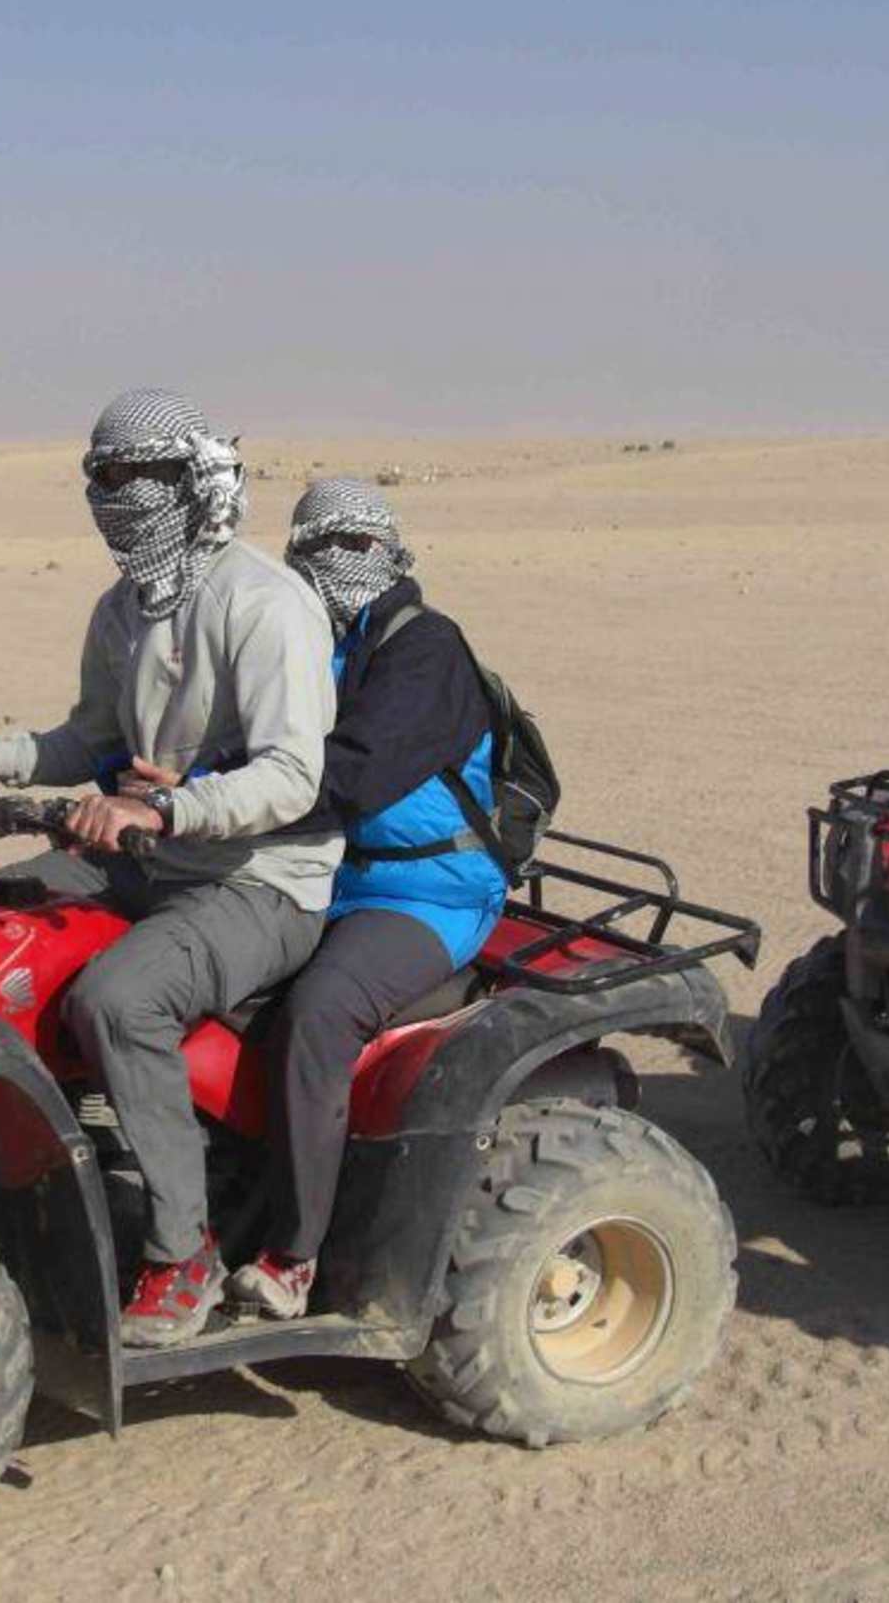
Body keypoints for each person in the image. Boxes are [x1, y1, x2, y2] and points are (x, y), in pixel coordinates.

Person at [0, 388, 340, 1347]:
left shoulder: (263, 602)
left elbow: (292, 776)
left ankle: (181, 1251)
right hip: (151, 855)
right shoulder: (124, 609)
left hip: (259, 879)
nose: (113, 496)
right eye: (99, 476)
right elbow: (90, 737)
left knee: (119, 1001)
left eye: (132, 476)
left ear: (190, 481)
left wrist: (165, 806)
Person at [212, 478, 509, 1319]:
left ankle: (293, 1254)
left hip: (428, 890)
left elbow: (353, 772)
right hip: (325, 873)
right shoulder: (317, 642)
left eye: (355, 544)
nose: (335, 562)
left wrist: (207, 805)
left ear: (391, 552)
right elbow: (243, 739)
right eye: (315, 545)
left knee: (321, 1010)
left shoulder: (425, 649)